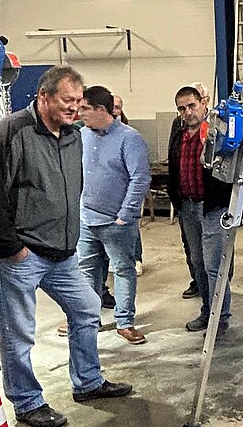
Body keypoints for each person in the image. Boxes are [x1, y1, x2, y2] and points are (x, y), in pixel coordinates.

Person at [0, 65, 132, 427]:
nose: (74, 108)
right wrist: (12, 249)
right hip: (20, 255)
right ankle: (28, 402)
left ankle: (88, 382)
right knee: (19, 331)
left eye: (78, 101)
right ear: (43, 96)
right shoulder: (10, 132)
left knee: (88, 308)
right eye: (66, 100)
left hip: (60, 254)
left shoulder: (73, 136)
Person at [76, 86, 150, 345]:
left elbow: (140, 179)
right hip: (85, 220)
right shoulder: (80, 136)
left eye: (84, 108)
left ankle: (125, 322)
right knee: (87, 271)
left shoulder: (130, 138)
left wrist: (125, 214)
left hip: (116, 222)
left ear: (100, 110)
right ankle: (89, 319)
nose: (79, 112)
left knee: (122, 269)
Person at [166, 83, 233, 335]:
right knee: (198, 262)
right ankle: (208, 312)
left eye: (191, 106)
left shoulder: (218, 131)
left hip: (212, 208)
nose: (187, 112)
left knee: (214, 265)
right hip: (187, 207)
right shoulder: (179, 133)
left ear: (203, 103)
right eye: (181, 109)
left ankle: (220, 319)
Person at [111, 94, 144, 276]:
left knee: (131, 229)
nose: (116, 110)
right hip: (108, 197)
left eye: (119, 107)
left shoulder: (129, 134)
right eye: (113, 106)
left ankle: (136, 258)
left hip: (125, 193)